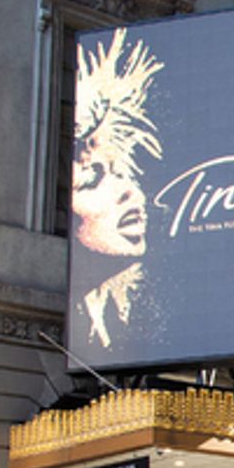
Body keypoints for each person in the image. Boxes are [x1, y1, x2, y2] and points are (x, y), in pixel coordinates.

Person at [70, 28, 165, 354]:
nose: (130, 193)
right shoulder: (86, 315)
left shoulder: (146, 311)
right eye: (93, 179)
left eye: (126, 173)